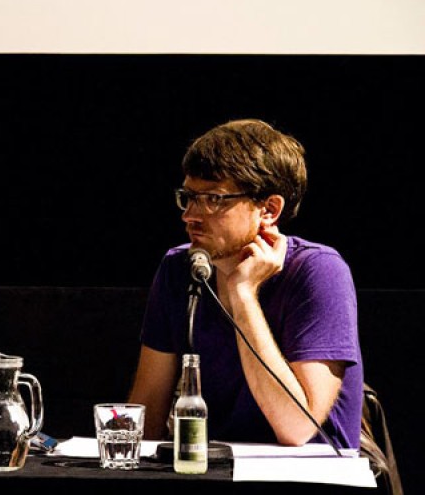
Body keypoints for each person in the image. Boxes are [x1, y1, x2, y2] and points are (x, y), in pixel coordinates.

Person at [128, 118, 363, 449]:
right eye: (189, 197)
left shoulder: (318, 271)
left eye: (214, 199)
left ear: (268, 209)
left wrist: (243, 293)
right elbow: (148, 417)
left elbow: (296, 428)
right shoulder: (177, 270)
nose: (190, 215)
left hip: (309, 475)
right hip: (213, 471)